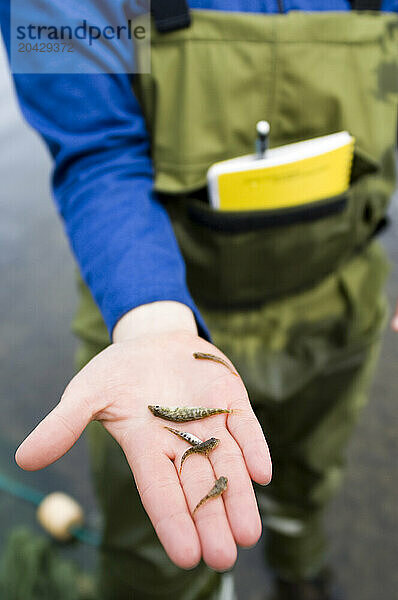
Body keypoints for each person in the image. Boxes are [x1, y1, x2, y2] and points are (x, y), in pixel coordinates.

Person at [1, 1, 397, 599]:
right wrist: (152, 320)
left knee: (309, 471)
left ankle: (300, 566)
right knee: (163, 543)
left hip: (338, 300)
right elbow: (99, 152)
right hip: (153, 310)